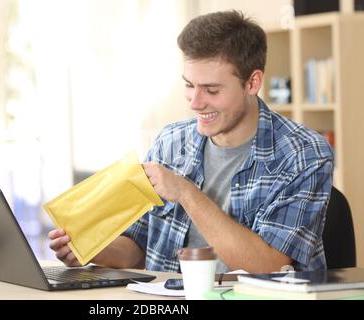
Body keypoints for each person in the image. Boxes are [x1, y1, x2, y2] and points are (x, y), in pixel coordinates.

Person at [49, 10, 334, 274]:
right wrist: (92, 249)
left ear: (253, 83)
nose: (195, 103)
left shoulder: (303, 154)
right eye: (189, 85)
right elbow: (138, 248)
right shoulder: (170, 142)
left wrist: (185, 192)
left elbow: (267, 264)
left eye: (211, 89)